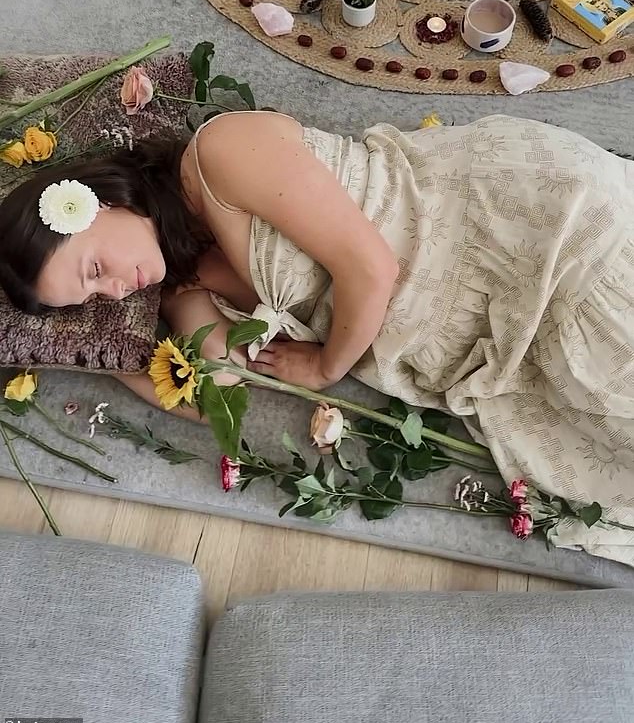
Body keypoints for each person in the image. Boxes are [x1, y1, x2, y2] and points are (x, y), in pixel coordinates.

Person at [0, 110, 633, 565]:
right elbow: (211, 398)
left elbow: (372, 266)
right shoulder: (181, 281)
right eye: (92, 298)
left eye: (94, 269)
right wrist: (99, 357)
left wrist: (326, 367)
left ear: (100, 201)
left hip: (509, 229)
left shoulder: (219, 153)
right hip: (470, 322)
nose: (113, 291)